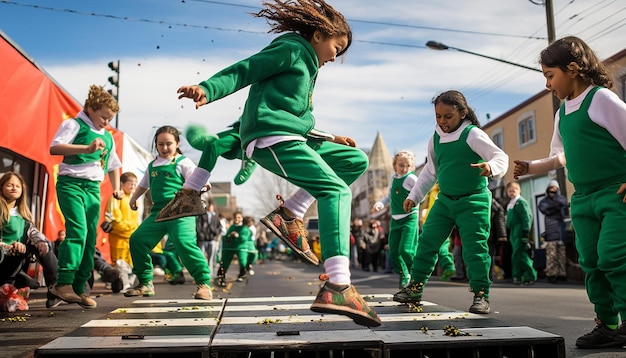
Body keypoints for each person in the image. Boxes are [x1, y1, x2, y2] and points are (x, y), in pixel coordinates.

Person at [157, 0, 380, 327]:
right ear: (318, 34)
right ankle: (338, 284)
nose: (337, 55)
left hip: (292, 137)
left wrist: (331, 138)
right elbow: (245, 70)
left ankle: (290, 212)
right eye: (337, 46)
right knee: (336, 192)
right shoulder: (290, 50)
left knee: (353, 160)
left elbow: (297, 120)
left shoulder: (308, 67)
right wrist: (207, 88)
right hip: (271, 138)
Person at [513, 36, 626, 349]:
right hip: (583, 198)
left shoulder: (601, 99)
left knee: (615, 256)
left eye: (550, 75)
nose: (548, 84)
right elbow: (560, 156)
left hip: (615, 193)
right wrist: (532, 167)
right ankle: (608, 325)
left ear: (573, 69)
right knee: (591, 261)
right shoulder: (562, 113)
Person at [393, 90, 509, 315]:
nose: (442, 121)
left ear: (462, 113)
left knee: (475, 249)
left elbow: (500, 157)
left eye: (448, 116)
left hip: (473, 200)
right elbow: (429, 172)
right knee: (427, 242)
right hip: (445, 201)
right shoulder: (434, 139)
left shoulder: (472, 134)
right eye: (438, 116)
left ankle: (481, 296)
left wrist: (491, 167)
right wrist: (413, 196)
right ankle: (414, 289)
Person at [49, 84, 123, 309]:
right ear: (90, 108)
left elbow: (113, 165)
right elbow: (55, 148)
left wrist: (117, 188)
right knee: (78, 231)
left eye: (110, 119)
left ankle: (80, 288)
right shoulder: (74, 124)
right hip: (71, 185)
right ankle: (63, 283)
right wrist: (86, 148)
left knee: (90, 238)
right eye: (103, 117)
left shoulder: (108, 138)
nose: (106, 123)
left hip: (92, 188)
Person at [124, 125, 212, 300]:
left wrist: (203, 186)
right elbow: (143, 185)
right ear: (156, 144)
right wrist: (134, 198)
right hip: (159, 211)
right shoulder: (152, 165)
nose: (164, 148)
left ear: (177, 143)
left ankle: (204, 284)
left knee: (183, 242)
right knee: (137, 240)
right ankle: (145, 283)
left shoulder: (183, 162)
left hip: (181, 210)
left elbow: (200, 179)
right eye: (160, 144)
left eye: (169, 144)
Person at [0, 172, 61, 308]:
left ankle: (56, 288)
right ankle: (19, 278)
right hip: (2, 258)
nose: (14, 188)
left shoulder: (24, 214)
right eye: (10, 185)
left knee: (43, 244)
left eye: (18, 186)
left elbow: (35, 233)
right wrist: (9, 247)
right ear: (1, 187)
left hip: (18, 257)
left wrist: (41, 243)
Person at [371, 150, 419, 288]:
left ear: (412, 167)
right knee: (393, 253)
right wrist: (380, 204)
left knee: (406, 250)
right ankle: (404, 274)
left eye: (407, 166)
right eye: (401, 165)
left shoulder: (411, 179)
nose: (404, 168)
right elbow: (389, 197)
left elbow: (421, 193)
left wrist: (413, 200)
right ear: (395, 166)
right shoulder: (393, 178)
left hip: (409, 218)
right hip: (395, 220)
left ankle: (415, 274)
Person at [505, 181, 536, 286]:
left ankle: (529, 275)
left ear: (519, 190)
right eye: (509, 191)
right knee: (516, 255)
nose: (512, 192)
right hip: (513, 233)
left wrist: (525, 233)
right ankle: (518, 276)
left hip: (519, 232)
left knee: (521, 255)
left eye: (514, 190)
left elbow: (527, 217)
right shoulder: (511, 203)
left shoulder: (521, 202)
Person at [106, 172, 139, 267]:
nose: (133, 186)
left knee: (132, 265)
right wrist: (129, 229)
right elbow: (115, 219)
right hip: (119, 238)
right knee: (119, 265)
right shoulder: (116, 198)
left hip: (131, 238)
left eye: (134, 184)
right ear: (122, 184)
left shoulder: (134, 200)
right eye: (130, 183)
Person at [538, 180, 568, 283]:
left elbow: (564, 207)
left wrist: (555, 207)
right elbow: (544, 209)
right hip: (550, 230)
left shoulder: (561, 199)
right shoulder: (544, 201)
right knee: (551, 254)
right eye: (551, 189)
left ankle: (562, 274)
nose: (552, 191)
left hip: (561, 230)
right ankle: (551, 274)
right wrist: (555, 207)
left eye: (554, 189)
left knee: (561, 254)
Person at [215, 211, 252, 286]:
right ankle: (221, 276)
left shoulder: (244, 228)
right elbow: (226, 236)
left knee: (243, 262)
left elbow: (245, 237)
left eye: (239, 217)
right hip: (230, 247)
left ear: (242, 218)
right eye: (235, 217)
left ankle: (242, 274)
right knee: (224, 262)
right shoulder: (232, 227)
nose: (237, 219)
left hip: (241, 247)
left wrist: (238, 236)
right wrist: (228, 237)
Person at [195, 200, 223, 279]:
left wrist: (215, 234)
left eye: (212, 206)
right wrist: (201, 235)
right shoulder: (202, 215)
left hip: (212, 240)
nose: (210, 208)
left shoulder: (216, 217)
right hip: (203, 240)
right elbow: (198, 226)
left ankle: (210, 274)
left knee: (211, 258)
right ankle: (201, 273)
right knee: (201, 257)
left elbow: (219, 228)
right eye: (209, 206)